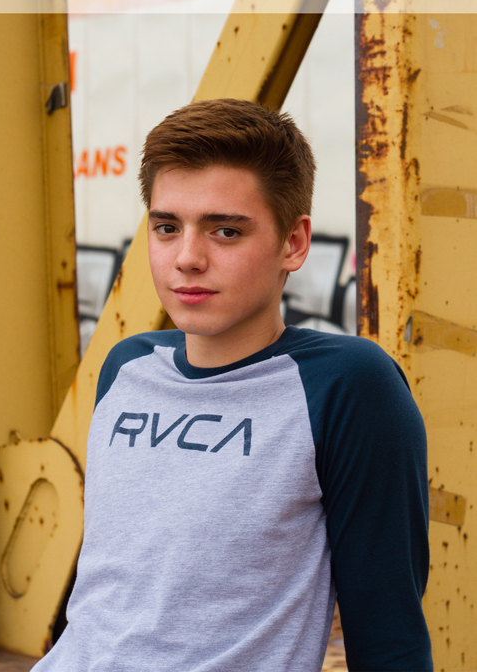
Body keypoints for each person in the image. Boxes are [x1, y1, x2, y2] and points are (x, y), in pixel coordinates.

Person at [34, 98, 433, 672]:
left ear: (293, 244)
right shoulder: (126, 368)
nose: (187, 259)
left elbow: (389, 637)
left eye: (225, 231)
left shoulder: (347, 386)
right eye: (167, 227)